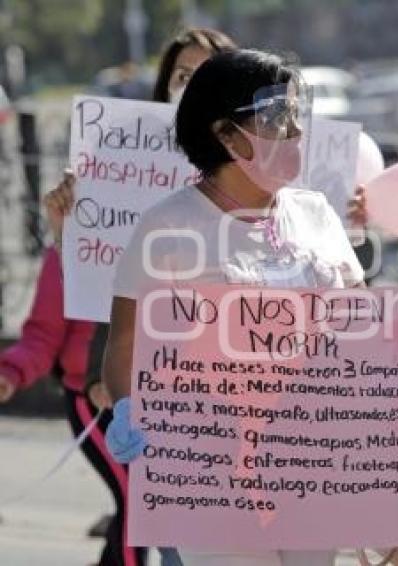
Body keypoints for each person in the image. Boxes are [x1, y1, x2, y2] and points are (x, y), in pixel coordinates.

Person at [100, 48, 363, 566]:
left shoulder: (316, 214)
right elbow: (126, 344)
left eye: (294, 115)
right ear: (224, 133)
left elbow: (356, 325)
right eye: (275, 118)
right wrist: (128, 406)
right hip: (212, 467)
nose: (293, 132)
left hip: (312, 456)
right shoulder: (167, 227)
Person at [5, 27, 235, 566]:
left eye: (207, 74)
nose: (193, 87)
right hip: (118, 390)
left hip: (217, 393)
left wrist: (353, 218)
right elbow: (76, 292)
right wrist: (71, 229)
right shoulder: (118, 175)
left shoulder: (260, 182)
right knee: (148, 516)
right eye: (182, 76)